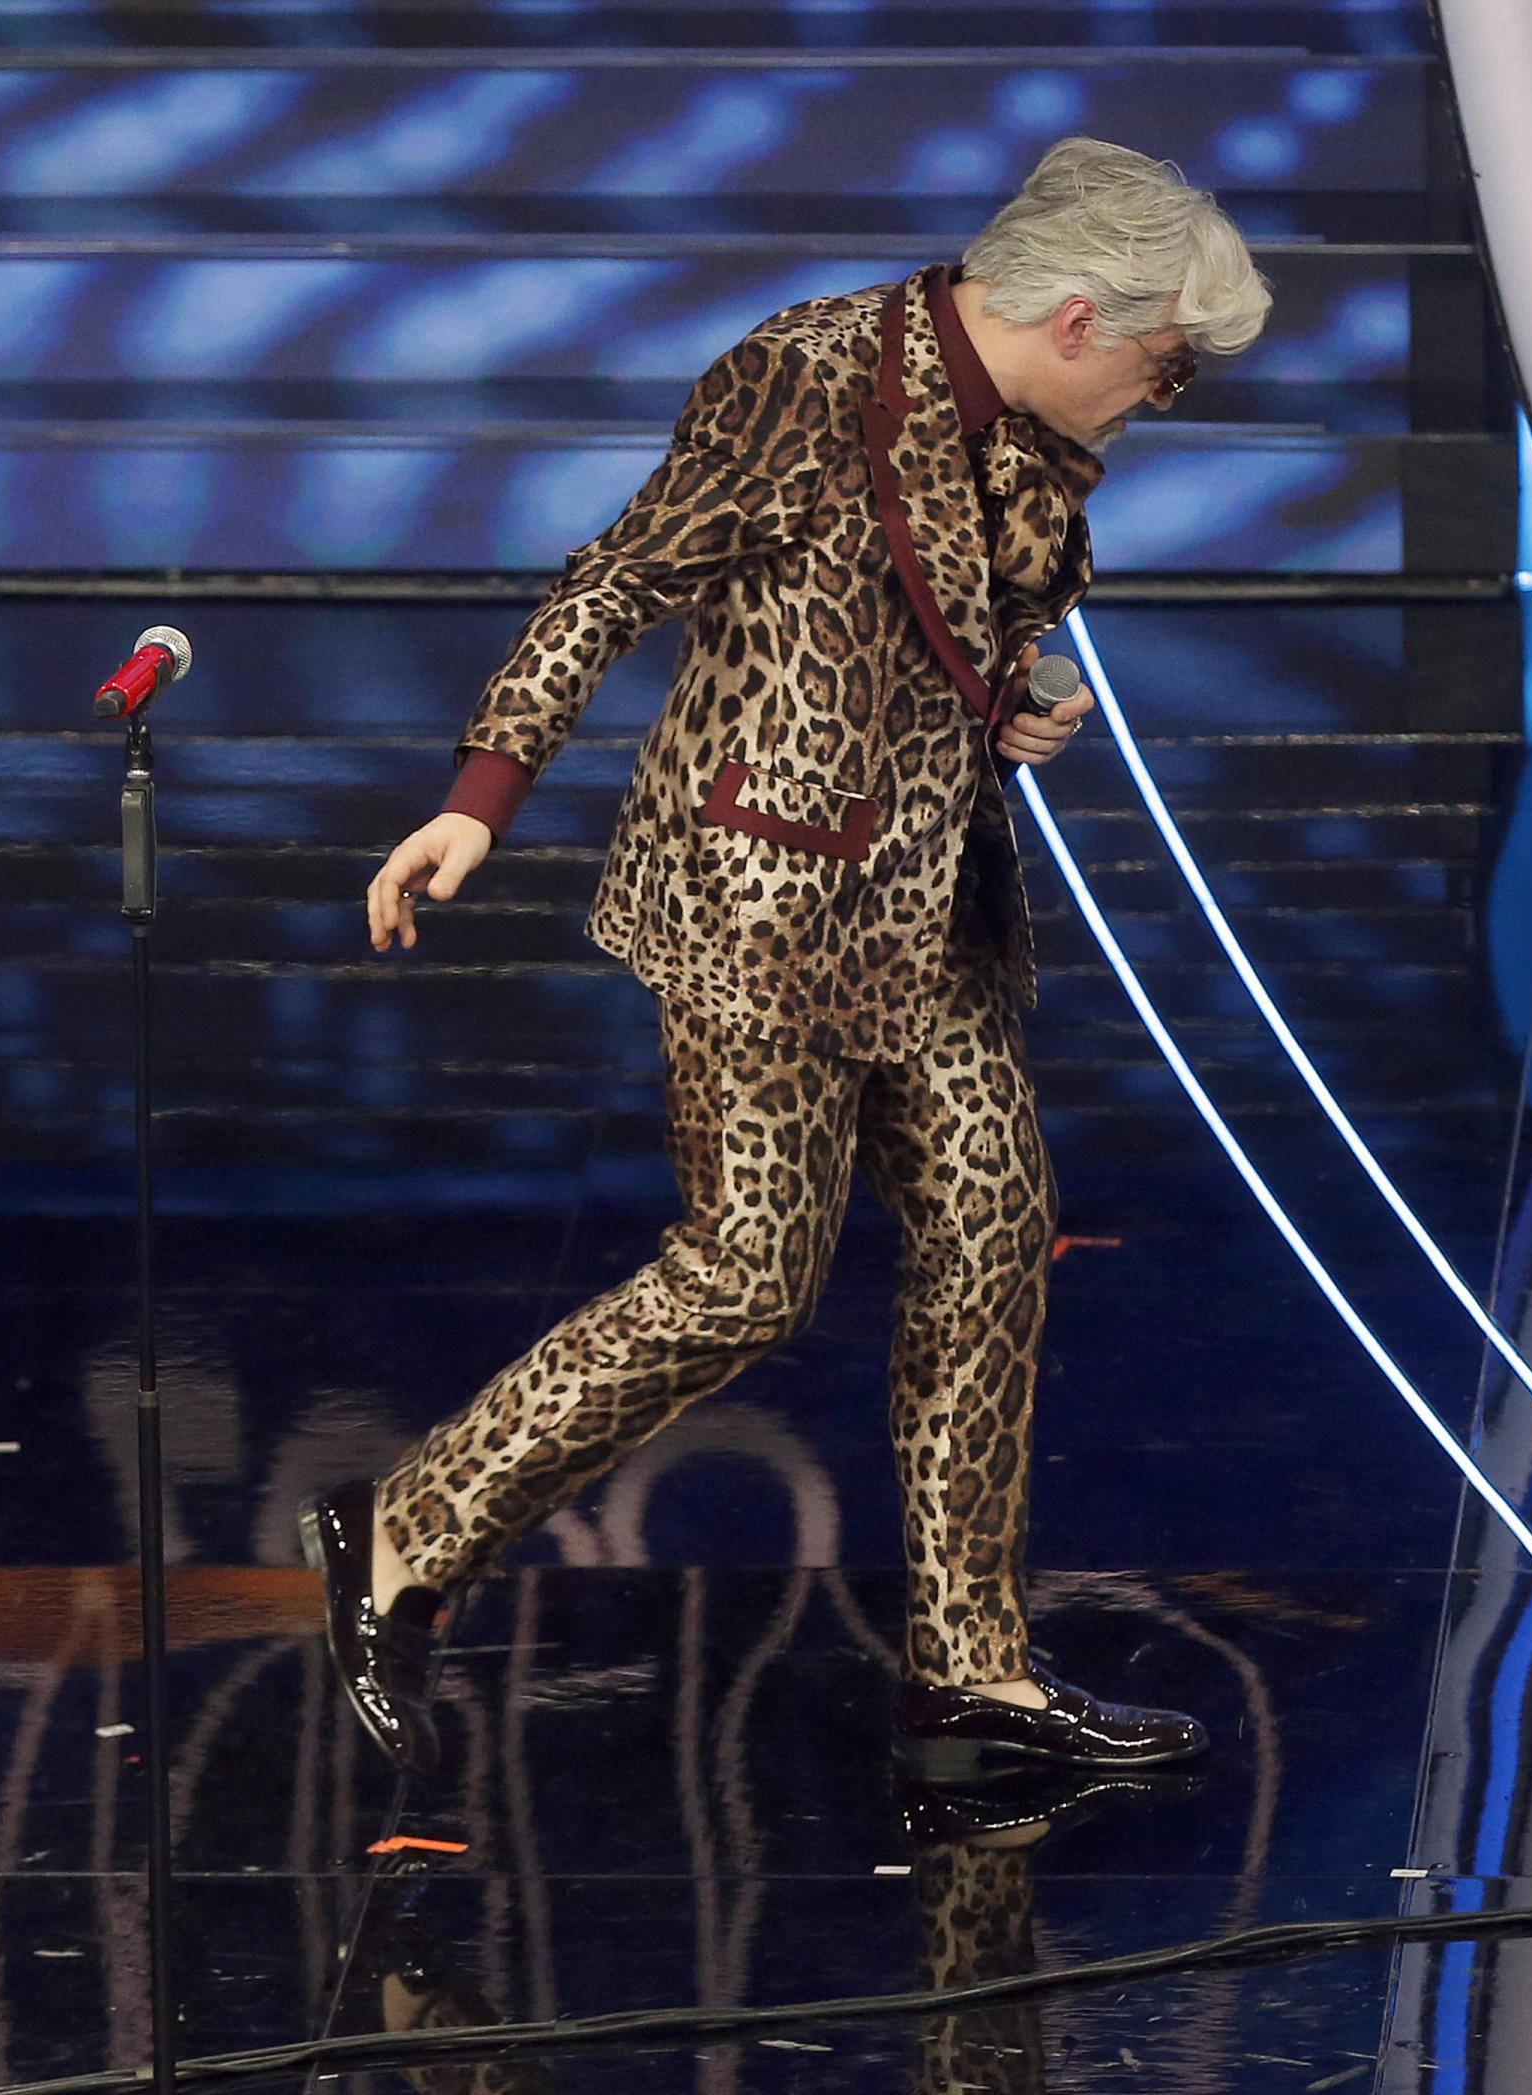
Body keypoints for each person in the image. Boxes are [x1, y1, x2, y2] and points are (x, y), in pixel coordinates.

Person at [300, 139, 1271, 1782]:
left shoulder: (1032, 423)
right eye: (1166, 370)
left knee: (993, 1232)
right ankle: (401, 1531)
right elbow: (615, 580)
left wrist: (1016, 686)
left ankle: (973, 1665)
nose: (1161, 402)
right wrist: (483, 795)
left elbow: (981, 603)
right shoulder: (805, 379)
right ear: (1082, 322)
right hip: (761, 899)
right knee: (748, 1270)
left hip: (929, 901)